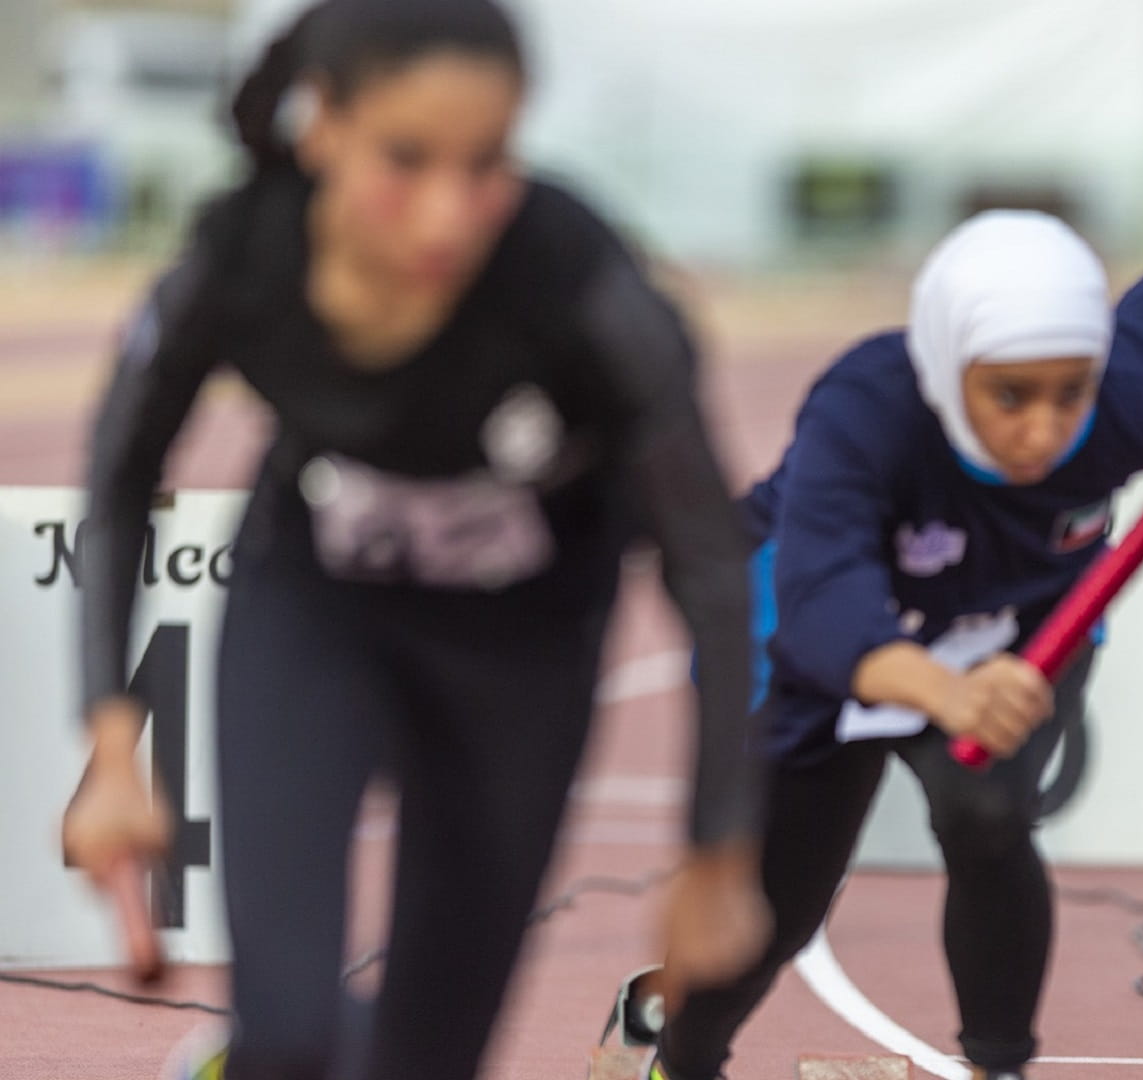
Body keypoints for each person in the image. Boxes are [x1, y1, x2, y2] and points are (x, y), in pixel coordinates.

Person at [56, 1, 770, 1077]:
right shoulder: (243, 256)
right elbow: (120, 475)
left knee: (426, 1063)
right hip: (316, 612)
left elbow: (710, 563)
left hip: (523, 654)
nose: (447, 217)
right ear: (323, 127)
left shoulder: (579, 283)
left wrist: (719, 847)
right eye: (405, 160)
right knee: (284, 1038)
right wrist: (113, 748)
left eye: (486, 165)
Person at [639, 210, 1143, 1080]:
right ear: (947, 368)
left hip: (1016, 626)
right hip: (821, 636)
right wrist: (945, 692)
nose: (1044, 432)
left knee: (986, 812)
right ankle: (679, 1061)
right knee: (777, 900)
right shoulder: (867, 409)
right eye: (1010, 396)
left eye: (1071, 393)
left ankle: (1000, 1066)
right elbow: (824, 605)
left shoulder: (1131, 402)